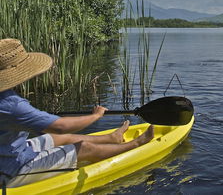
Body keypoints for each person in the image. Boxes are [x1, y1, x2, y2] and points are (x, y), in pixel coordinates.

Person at [0, 38, 155, 188]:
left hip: (11, 151)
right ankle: (136, 144)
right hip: (10, 171)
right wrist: (95, 116)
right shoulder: (11, 104)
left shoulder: (9, 101)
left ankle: (112, 138)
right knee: (85, 148)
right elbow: (61, 126)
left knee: (61, 138)